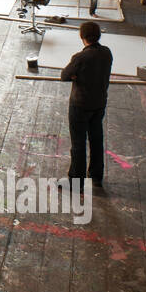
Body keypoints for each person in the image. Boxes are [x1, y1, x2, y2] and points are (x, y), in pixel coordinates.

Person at [59, 20, 113, 192]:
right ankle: (96, 177)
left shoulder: (80, 57)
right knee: (96, 139)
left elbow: (64, 75)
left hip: (80, 105)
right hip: (99, 103)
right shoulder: (106, 52)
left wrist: (76, 75)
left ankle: (76, 182)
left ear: (82, 36)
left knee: (78, 143)